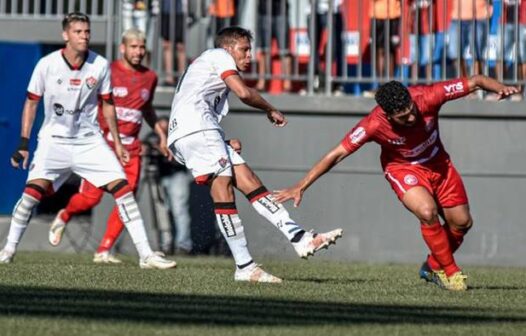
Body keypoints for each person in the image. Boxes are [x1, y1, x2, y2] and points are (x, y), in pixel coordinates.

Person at [275, 75, 520, 291]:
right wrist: (302, 185)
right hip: (403, 170)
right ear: (388, 115)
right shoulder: (373, 124)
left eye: (412, 109)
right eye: (403, 117)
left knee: (462, 222)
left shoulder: (428, 96)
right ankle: (452, 273)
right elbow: (337, 154)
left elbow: (475, 80)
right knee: (427, 211)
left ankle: (433, 266)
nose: (412, 116)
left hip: (439, 165)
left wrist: (500, 87)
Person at [167, 26, 343, 283]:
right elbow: (244, 93)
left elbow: (194, 105)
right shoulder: (219, 56)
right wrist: (270, 109)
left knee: (250, 181)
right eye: (245, 49)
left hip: (198, 133)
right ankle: (244, 266)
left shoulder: (208, 65)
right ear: (228, 48)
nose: (250, 56)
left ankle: (300, 238)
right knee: (223, 190)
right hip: (197, 132)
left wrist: (221, 140)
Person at [0, 13, 175, 270]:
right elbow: (31, 102)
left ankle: (146, 255)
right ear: (66, 35)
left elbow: (107, 106)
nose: (84, 36)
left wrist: (116, 143)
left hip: (89, 142)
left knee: (124, 191)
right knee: (31, 195)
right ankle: (8, 250)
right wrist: (24, 143)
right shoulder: (47, 64)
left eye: (87, 32)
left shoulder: (99, 64)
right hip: (54, 141)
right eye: (78, 32)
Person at [45, 27, 168, 264]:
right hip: (102, 146)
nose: (138, 51)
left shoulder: (150, 77)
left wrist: (161, 135)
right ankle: (66, 213)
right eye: (133, 46)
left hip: (131, 150)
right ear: (123, 48)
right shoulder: (107, 70)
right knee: (91, 199)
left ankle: (104, 250)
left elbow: (147, 109)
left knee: (127, 200)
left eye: (142, 47)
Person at [143, 116, 193, 255]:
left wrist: (161, 150)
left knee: (179, 210)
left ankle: (183, 245)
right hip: (159, 176)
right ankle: (166, 244)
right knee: (162, 212)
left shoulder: (178, 137)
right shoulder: (152, 136)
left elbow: (180, 159)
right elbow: (145, 146)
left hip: (177, 175)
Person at [255, 0, 292, 93]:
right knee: (264, 49)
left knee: (284, 51)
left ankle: (287, 83)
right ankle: (262, 82)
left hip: (281, 11)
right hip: (264, 11)